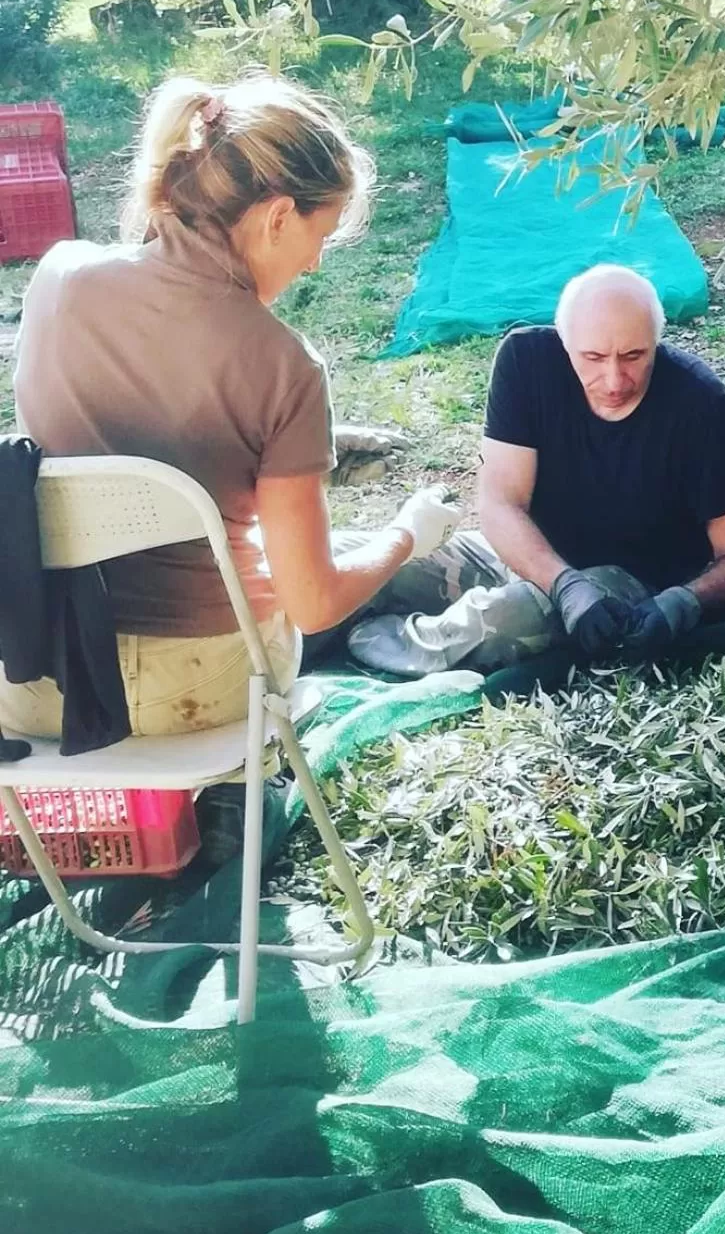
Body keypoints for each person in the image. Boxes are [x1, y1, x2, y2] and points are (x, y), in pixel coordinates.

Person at [1, 74, 461, 738]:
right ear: (277, 217)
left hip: (33, 680)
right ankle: (238, 795)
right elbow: (312, 602)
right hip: (190, 691)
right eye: (321, 238)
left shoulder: (57, 276)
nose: (312, 266)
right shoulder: (285, 366)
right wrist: (410, 533)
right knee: (319, 578)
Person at [346, 264, 725, 675]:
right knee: (370, 563)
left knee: (501, 622)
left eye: (634, 356)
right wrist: (562, 583)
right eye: (594, 358)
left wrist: (683, 603)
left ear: (657, 341)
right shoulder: (527, 362)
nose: (614, 379)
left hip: (628, 580)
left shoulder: (702, 404)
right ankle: (323, 620)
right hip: (529, 553)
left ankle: (391, 645)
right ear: (565, 343)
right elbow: (500, 502)